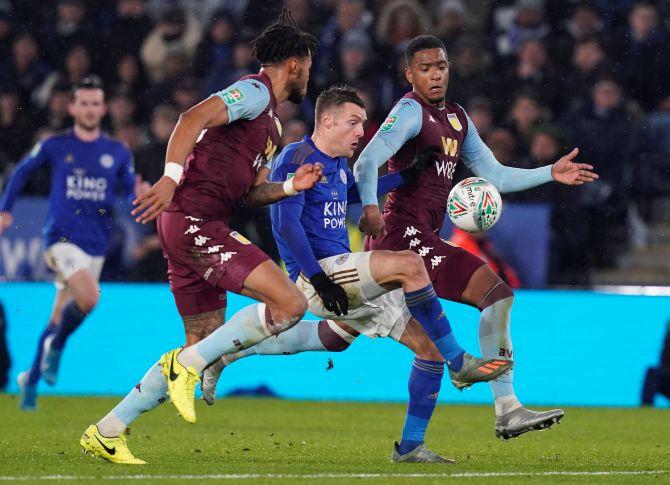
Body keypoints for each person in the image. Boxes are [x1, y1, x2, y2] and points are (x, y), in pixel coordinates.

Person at [201, 86, 512, 463]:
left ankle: (411, 447)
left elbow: (351, 194)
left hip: (343, 270)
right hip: (317, 275)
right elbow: (287, 227)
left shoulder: (335, 164)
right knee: (409, 264)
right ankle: (460, 363)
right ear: (327, 121)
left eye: (363, 123)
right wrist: (316, 279)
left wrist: (407, 176)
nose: (360, 132)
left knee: (416, 348)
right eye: (353, 123)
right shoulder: (296, 158)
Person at [79, 10, 322, 465]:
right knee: (290, 305)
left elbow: (249, 194)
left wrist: (291, 187)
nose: (310, 73)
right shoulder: (253, 91)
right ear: (294, 63)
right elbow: (190, 118)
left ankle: (108, 430)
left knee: (201, 348)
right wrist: (170, 177)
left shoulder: (268, 123)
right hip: (194, 221)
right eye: (308, 64)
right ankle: (187, 367)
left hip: (191, 225)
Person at [355, 35, 599, 439]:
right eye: (425, 68)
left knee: (343, 335)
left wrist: (549, 173)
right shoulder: (410, 111)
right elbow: (367, 162)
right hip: (401, 235)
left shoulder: (457, 118)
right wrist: (369, 206)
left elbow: (496, 174)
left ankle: (413, 445)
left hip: (421, 237)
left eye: (441, 66)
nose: (435, 74)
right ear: (409, 74)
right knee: (496, 294)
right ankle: (507, 408)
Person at [0, 76, 149, 410]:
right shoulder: (56, 145)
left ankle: (30, 381)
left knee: (61, 313)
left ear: (103, 108)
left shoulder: (117, 151)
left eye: (96, 103)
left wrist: (138, 192)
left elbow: (127, 189)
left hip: (95, 245)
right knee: (90, 296)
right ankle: (56, 349)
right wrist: (5, 211)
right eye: (83, 102)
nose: (90, 109)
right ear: (72, 107)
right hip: (60, 240)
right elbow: (21, 171)